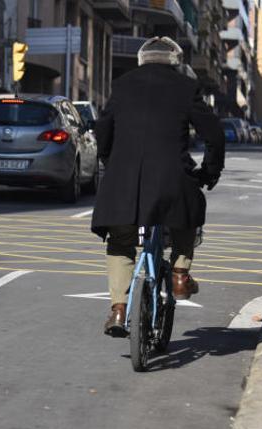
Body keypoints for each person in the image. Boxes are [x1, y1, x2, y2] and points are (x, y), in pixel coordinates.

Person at [91, 37, 225, 336]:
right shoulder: (185, 87)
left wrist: (110, 162)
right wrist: (209, 171)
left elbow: (103, 128)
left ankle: (118, 309)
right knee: (186, 217)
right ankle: (179, 275)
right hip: (171, 178)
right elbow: (214, 134)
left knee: (120, 240)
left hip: (123, 181)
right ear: (175, 61)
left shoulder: (122, 85)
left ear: (141, 59)